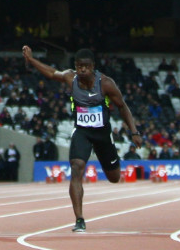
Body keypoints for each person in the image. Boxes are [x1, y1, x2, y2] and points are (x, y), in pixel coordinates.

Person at [22, 46, 143, 232]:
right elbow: (52, 73)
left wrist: (134, 132)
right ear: (76, 67)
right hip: (82, 132)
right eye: (79, 66)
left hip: (102, 134)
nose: (83, 70)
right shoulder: (71, 78)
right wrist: (31, 60)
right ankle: (79, 219)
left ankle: (111, 163)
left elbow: (123, 106)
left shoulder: (106, 83)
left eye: (86, 66)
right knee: (77, 167)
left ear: (93, 66)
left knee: (114, 177)